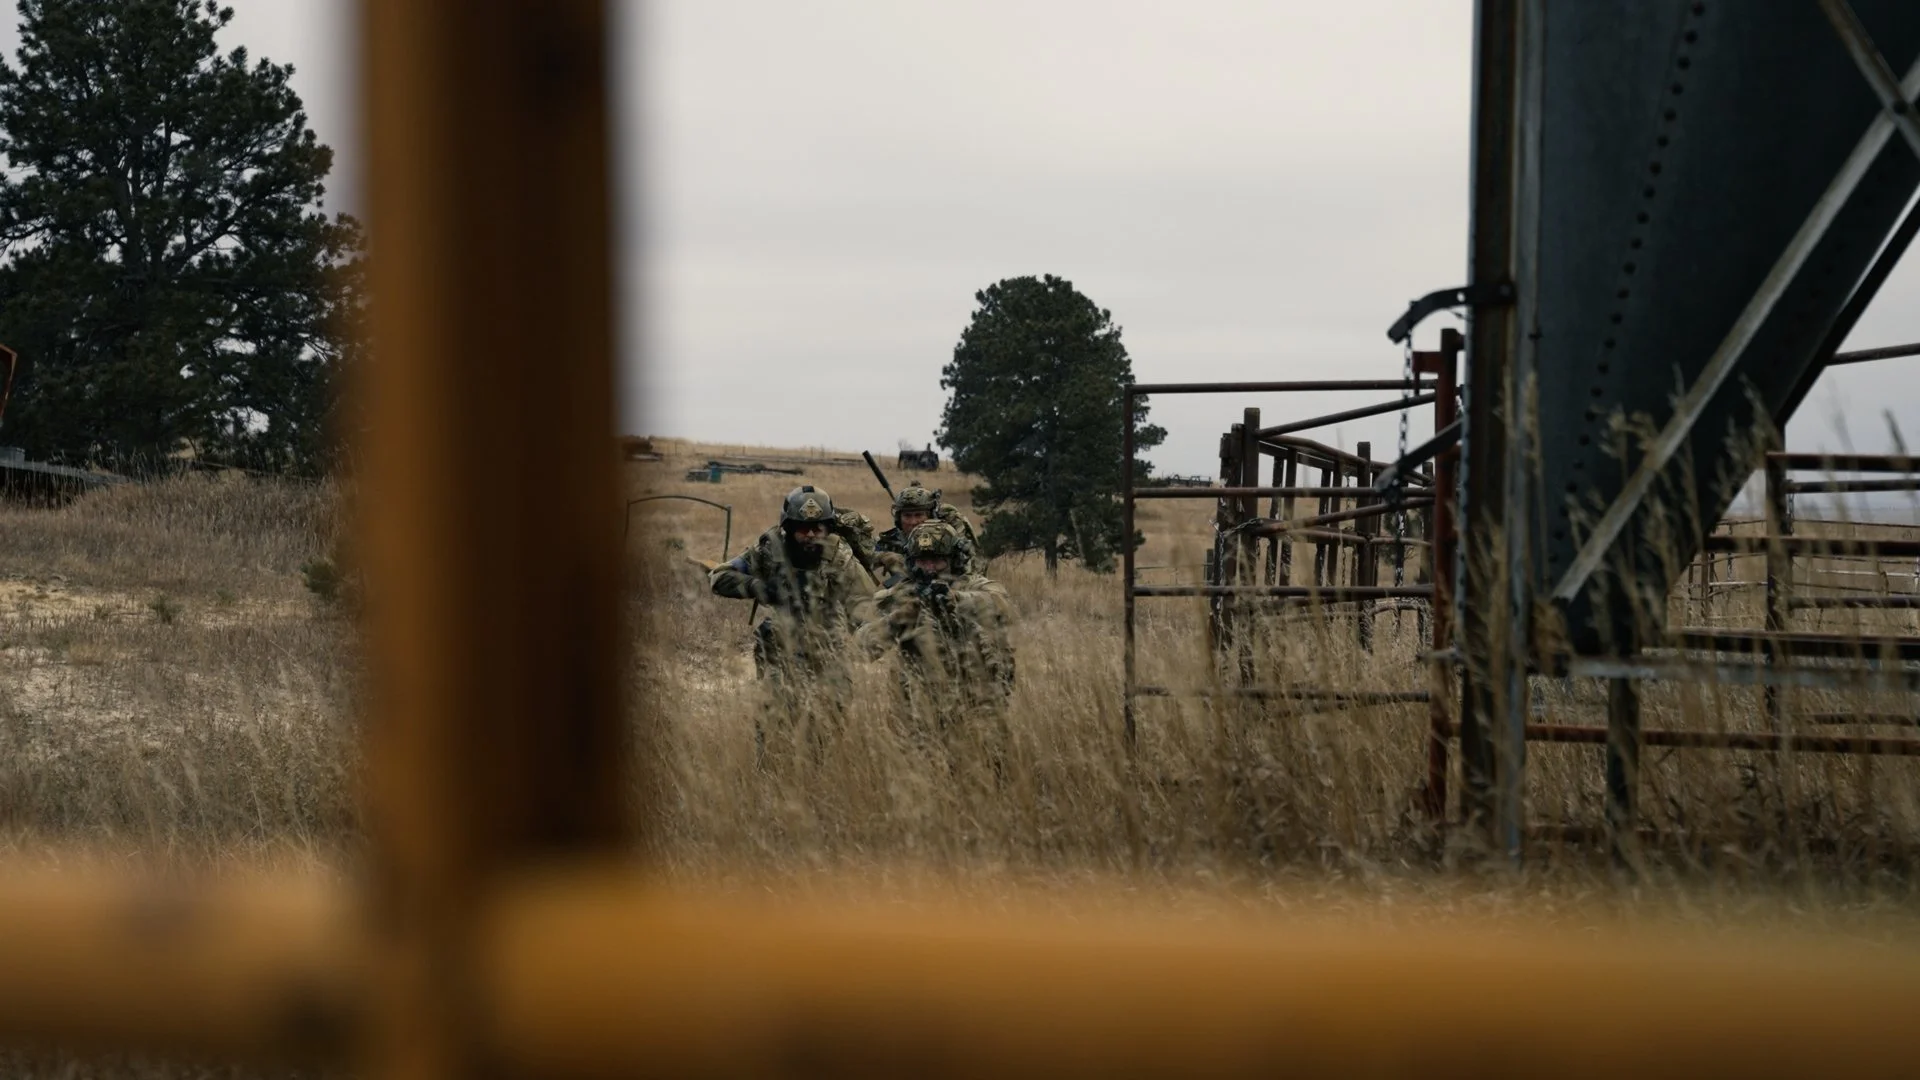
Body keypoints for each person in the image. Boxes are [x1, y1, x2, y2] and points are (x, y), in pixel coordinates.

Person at [710, 484, 876, 761]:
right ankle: (770, 770)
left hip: (829, 647)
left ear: (827, 527)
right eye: (802, 528)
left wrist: (865, 630)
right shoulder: (770, 548)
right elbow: (718, 577)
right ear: (788, 527)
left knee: (831, 714)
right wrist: (761, 588)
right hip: (780, 647)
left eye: (818, 528)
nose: (811, 535)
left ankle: (817, 769)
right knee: (774, 712)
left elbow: (864, 600)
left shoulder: (839, 555)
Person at [861, 521, 1015, 767]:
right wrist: (900, 618)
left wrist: (957, 600)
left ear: (953, 559)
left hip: (977, 701)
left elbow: (1003, 606)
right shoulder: (899, 595)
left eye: (937, 560)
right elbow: (863, 646)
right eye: (922, 561)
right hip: (919, 708)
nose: (929, 568)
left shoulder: (974, 584)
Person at [873, 483, 978, 583]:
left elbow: (971, 572)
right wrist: (884, 557)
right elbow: (869, 554)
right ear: (898, 519)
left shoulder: (949, 538)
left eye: (919, 515)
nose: (913, 522)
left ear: (931, 516)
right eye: (907, 516)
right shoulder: (892, 540)